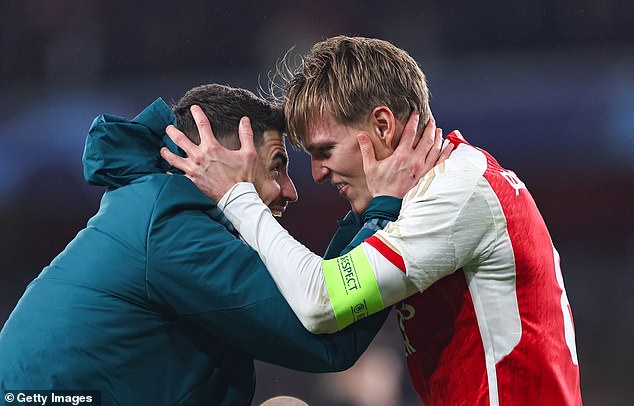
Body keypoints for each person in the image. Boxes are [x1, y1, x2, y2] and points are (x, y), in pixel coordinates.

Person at [161, 36, 583, 405]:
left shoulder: (457, 193)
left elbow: (321, 302)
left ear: (382, 126)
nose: (317, 174)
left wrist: (237, 195)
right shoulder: (435, 189)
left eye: (325, 150)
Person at [0, 83, 445, 405]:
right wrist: (386, 207)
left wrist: (368, 211)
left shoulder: (159, 208)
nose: (290, 190)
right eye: (277, 166)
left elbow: (320, 302)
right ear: (226, 160)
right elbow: (325, 342)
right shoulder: (172, 225)